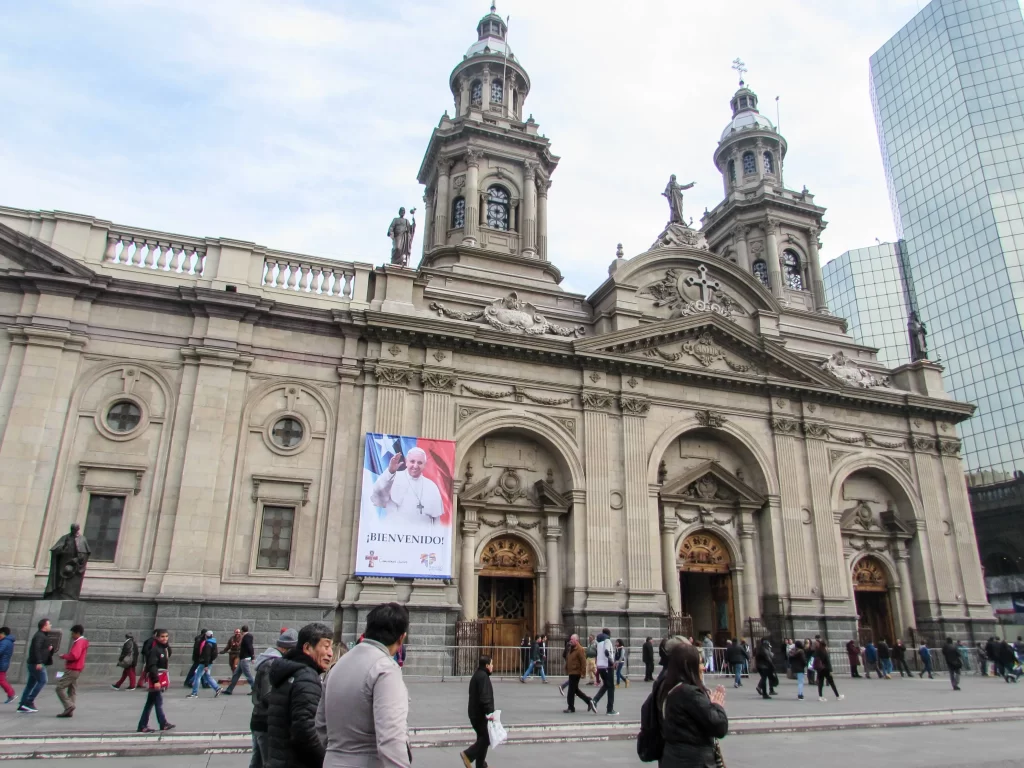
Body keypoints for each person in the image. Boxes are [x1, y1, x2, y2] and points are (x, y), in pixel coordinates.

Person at [318, 602, 411, 768]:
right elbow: (391, 736)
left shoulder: (338, 665)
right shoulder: (385, 669)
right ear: (401, 638)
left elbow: (320, 725)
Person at [266, 622, 332, 768]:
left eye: (331, 647)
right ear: (307, 648)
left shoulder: (289, 671)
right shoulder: (306, 677)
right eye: (326, 646)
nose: (330, 653)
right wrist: (325, 761)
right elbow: (305, 730)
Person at [658, 641, 728, 768]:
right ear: (688, 665)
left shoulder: (669, 689)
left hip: (673, 759)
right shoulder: (690, 693)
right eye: (700, 662)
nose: (703, 668)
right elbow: (719, 726)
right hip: (695, 761)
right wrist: (717, 705)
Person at [249, 629, 298, 768]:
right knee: (267, 762)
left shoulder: (270, 660)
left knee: (257, 761)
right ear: (285, 648)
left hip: (260, 718)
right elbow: (267, 695)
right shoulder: (272, 664)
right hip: (264, 721)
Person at [370, 446, 443, 527]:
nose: (415, 466)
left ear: (424, 465)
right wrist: (390, 471)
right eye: (412, 461)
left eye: (420, 463)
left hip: (422, 537)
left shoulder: (431, 486)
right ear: (406, 461)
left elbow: (437, 521)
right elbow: (376, 493)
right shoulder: (392, 478)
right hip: (396, 535)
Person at [137, 628, 175, 733]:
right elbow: (152, 665)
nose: (165, 638)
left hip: (160, 677)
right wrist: (156, 681)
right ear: (157, 637)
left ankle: (143, 725)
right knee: (158, 702)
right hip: (156, 678)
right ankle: (162, 723)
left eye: (166, 636)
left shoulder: (164, 649)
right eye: (162, 636)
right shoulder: (155, 650)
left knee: (150, 703)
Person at [461, 656, 496, 768]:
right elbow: (485, 698)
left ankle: (481, 765)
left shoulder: (478, 675)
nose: (492, 666)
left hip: (475, 713)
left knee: (482, 738)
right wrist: (490, 713)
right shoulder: (483, 677)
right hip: (481, 714)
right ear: (486, 666)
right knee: (486, 738)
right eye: (491, 664)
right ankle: (468, 754)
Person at [18, 618, 53, 713]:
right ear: (44, 626)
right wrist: (39, 661)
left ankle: (22, 705)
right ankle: (28, 702)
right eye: (49, 624)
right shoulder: (40, 636)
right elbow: (36, 649)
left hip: (34, 663)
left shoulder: (41, 636)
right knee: (43, 680)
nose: (51, 625)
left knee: (30, 684)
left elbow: (40, 649)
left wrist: (48, 649)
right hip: (36, 663)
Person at [55, 624, 89, 718]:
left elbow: (74, 656)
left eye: (73, 633)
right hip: (77, 669)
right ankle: (69, 710)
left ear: (77, 633)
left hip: (72, 668)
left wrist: (63, 656)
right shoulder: (83, 642)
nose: (72, 635)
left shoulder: (79, 642)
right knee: (72, 690)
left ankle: (69, 706)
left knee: (59, 687)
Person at [563, 634, 595, 714]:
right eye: (570, 639)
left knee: (571, 691)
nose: (571, 641)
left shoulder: (579, 649)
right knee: (575, 690)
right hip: (571, 671)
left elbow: (583, 661)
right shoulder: (571, 648)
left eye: (572, 639)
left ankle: (571, 707)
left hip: (576, 672)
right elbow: (565, 656)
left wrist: (583, 673)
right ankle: (589, 701)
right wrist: (566, 648)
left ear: (577, 641)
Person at [188, 630, 222, 698]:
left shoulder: (207, 644)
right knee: (207, 676)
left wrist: (206, 665)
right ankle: (217, 688)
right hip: (209, 662)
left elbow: (207, 655)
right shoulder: (213, 643)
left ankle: (194, 693)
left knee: (197, 677)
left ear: (206, 636)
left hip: (204, 663)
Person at [592, 628, 618, 715]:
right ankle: (610, 709)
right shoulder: (607, 640)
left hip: (601, 666)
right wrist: (612, 662)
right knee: (611, 687)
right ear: (609, 634)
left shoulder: (598, 642)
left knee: (606, 685)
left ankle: (595, 700)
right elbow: (607, 652)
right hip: (607, 666)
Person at [225, 625, 256, 695]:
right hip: (242, 658)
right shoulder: (246, 636)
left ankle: (255, 689)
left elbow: (249, 647)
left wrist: (252, 656)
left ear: (242, 630)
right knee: (236, 674)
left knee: (248, 675)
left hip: (244, 658)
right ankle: (229, 690)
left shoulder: (246, 637)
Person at [0, 626, 16, 703]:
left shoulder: (5, 642)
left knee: (1, 680)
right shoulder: (8, 641)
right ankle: (11, 693)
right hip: (3, 663)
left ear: (3, 633)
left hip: (1, 664)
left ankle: (11, 694)